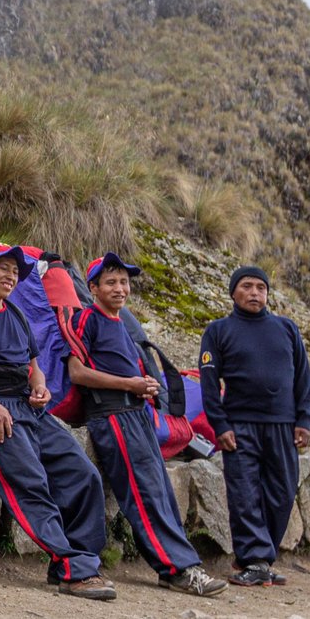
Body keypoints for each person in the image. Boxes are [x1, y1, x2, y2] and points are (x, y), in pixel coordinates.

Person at [0, 245, 114, 600]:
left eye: (16, 271)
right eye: (3, 268)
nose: (11, 276)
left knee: (83, 474)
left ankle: (81, 562)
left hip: (32, 410)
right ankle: (72, 568)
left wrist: (40, 387)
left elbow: (34, 365)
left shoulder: (16, 313)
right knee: (32, 485)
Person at [62, 253, 227, 597]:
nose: (119, 288)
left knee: (162, 493)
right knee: (145, 494)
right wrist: (131, 385)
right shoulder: (86, 319)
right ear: (92, 288)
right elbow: (77, 372)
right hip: (113, 417)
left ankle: (177, 567)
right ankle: (179, 569)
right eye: (110, 282)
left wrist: (146, 387)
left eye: (124, 282)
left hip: (137, 415)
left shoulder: (122, 324)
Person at [199, 265, 310, 587]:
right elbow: (208, 384)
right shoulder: (218, 330)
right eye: (247, 286)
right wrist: (219, 424)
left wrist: (303, 419)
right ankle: (254, 560)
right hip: (239, 426)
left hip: (283, 426)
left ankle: (261, 557)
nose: (254, 293)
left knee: (282, 494)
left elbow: (303, 378)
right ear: (233, 292)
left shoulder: (286, 329)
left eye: (260, 287)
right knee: (245, 494)